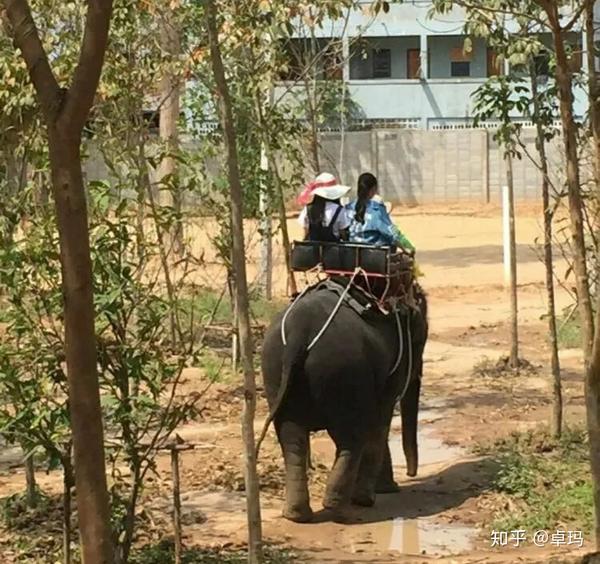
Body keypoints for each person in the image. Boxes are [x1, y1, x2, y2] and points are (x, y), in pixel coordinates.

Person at [346, 172, 415, 253]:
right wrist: (408, 247)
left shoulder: (348, 208)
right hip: (373, 256)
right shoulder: (376, 210)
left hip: (350, 254)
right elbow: (392, 233)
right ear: (373, 189)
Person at [297, 172, 352, 242]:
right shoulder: (339, 210)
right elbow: (343, 232)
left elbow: (305, 232)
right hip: (334, 250)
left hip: (313, 250)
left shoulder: (308, 209)